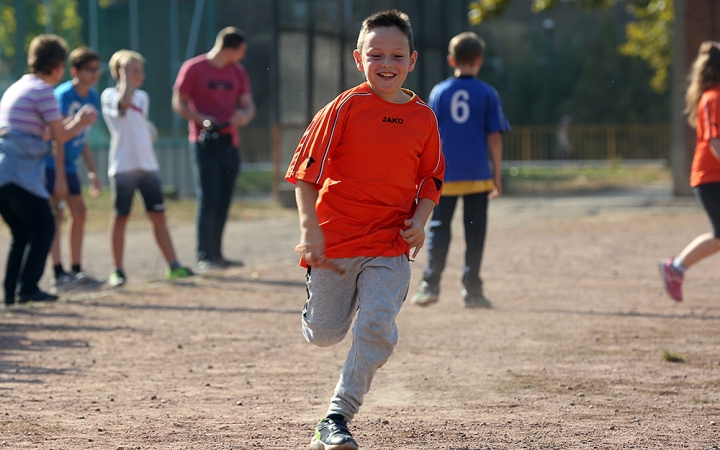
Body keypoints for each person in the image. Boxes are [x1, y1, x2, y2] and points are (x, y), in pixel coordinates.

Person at [286, 10, 445, 450]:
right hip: (335, 241)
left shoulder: (424, 118)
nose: (386, 62)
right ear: (359, 59)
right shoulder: (343, 108)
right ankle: (315, 310)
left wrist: (419, 220)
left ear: (412, 60)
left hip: (389, 244)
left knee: (376, 327)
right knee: (325, 335)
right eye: (375, 54)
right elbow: (304, 173)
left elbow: (431, 179)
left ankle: (336, 416)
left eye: (396, 54)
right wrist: (310, 229)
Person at [411, 31, 509, 309]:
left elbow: (429, 136)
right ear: (479, 60)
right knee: (474, 235)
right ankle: (473, 290)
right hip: (478, 176)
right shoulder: (488, 93)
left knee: (439, 230)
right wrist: (497, 177)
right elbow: (495, 138)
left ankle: (430, 285)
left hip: (445, 177)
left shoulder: (440, 92)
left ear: (451, 59)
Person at [0, 34, 97, 305]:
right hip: (20, 174)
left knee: (21, 234)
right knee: (44, 228)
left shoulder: (18, 86)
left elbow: (37, 133)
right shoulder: (43, 90)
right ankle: (28, 289)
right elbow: (59, 136)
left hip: (4, 172)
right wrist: (80, 122)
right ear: (57, 66)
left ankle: (12, 293)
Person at [100, 49, 193, 288]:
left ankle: (174, 265)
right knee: (121, 217)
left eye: (140, 71)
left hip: (148, 166)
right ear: (120, 72)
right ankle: (117, 270)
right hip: (123, 167)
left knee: (158, 216)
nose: (138, 75)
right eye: (132, 70)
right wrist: (125, 79)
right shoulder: (109, 95)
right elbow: (123, 104)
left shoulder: (143, 97)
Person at [172, 26, 256, 271]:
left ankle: (218, 254)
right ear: (229, 49)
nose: (242, 56)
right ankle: (204, 255)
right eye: (241, 51)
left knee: (223, 199)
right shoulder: (194, 68)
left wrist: (244, 116)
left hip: (230, 142)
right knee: (207, 198)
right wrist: (202, 119)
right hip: (203, 141)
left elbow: (248, 106)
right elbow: (178, 103)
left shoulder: (238, 72)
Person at [659, 41, 720, 302]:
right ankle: (675, 268)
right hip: (710, 177)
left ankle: (675, 268)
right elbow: (716, 142)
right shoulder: (714, 97)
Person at [46, 46, 104, 292]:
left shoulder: (92, 96)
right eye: (89, 69)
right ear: (75, 71)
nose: (94, 74)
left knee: (79, 212)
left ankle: (77, 269)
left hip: (69, 164)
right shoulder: (63, 95)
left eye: (96, 69)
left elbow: (83, 137)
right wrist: (58, 176)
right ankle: (59, 273)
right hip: (52, 162)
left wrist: (92, 171)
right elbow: (56, 137)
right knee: (56, 216)